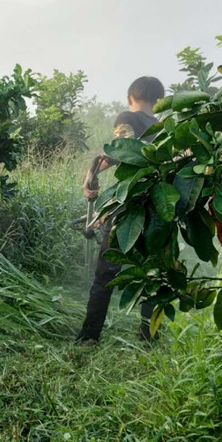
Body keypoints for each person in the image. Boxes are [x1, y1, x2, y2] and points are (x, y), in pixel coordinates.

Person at [76, 76, 165, 345]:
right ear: (158, 101)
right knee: (152, 274)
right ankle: (148, 337)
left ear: (130, 97)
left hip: (129, 205)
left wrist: (89, 177)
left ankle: (89, 337)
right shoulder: (164, 127)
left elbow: (119, 152)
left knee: (105, 274)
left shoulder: (127, 116)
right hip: (159, 206)